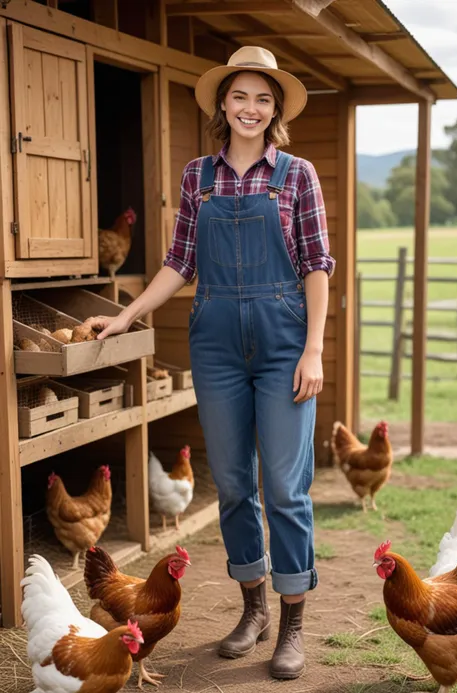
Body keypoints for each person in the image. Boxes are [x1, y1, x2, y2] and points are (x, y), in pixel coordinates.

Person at [90, 46, 335, 680]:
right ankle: (252, 607)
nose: (250, 108)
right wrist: (125, 315)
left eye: (262, 98)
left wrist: (312, 348)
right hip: (219, 341)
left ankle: (292, 625)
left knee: (283, 488)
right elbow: (179, 262)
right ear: (222, 105)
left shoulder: (298, 175)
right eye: (240, 96)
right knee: (230, 484)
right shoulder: (198, 176)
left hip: (285, 341)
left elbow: (316, 266)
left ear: (274, 109)